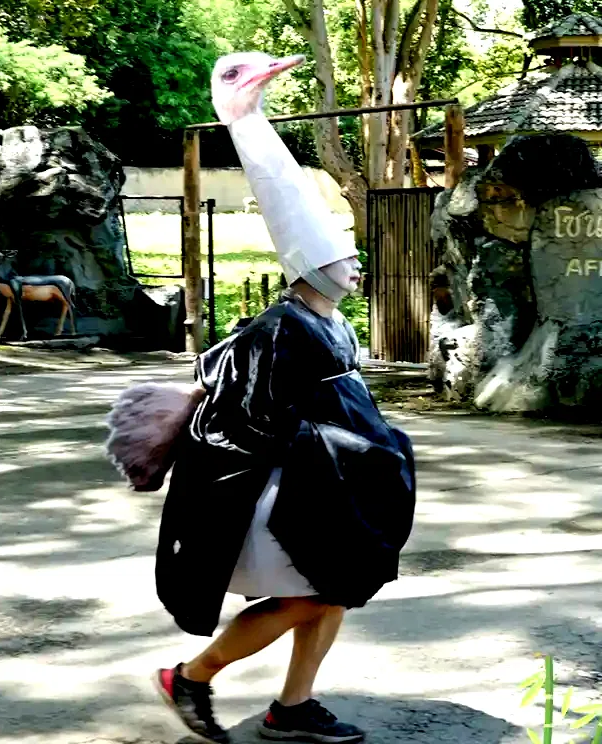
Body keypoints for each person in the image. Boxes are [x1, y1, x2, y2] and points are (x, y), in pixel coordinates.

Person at [137, 52, 417, 744]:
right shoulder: (283, 326)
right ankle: (192, 676)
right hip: (283, 498)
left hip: (327, 491)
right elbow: (245, 424)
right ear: (311, 265)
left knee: (337, 588)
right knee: (311, 592)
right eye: (342, 257)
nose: (354, 264)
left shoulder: (330, 320)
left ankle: (291, 708)